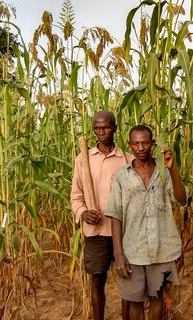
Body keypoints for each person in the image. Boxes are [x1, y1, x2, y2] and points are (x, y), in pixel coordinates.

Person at [105, 125, 187, 320]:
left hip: (162, 248)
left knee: (157, 296)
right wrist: (118, 254)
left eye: (144, 143)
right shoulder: (122, 175)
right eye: (136, 143)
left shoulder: (164, 172)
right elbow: (116, 214)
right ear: (130, 145)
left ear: (152, 144)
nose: (140, 147)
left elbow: (182, 200)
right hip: (133, 250)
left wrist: (172, 169)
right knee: (135, 300)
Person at [70, 110, 132, 320]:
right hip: (95, 232)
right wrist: (83, 212)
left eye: (106, 127)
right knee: (97, 280)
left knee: (127, 281)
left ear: (115, 128)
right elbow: (76, 196)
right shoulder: (83, 159)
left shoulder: (127, 159)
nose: (101, 132)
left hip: (124, 233)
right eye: (97, 128)